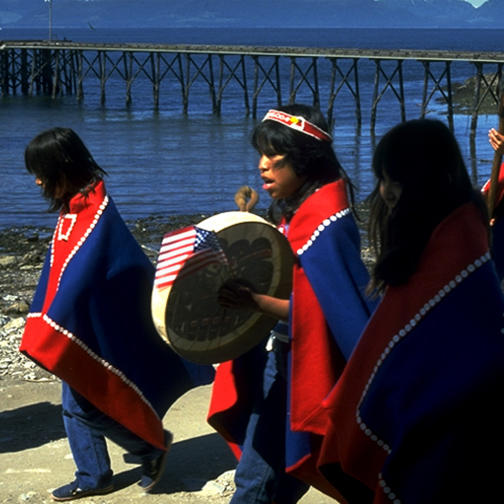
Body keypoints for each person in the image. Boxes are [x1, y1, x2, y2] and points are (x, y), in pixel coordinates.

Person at [19, 127, 214, 501]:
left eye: (41, 171)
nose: (38, 180)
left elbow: (90, 274)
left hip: (96, 327)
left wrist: (53, 324)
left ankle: (142, 452)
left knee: (83, 405)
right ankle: (98, 470)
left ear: (63, 167)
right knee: (79, 400)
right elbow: (64, 272)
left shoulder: (95, 213)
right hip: (84, 325)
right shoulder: (77, 207)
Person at [317, 119, 504, 503]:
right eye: (381, 178)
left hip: (448, 426)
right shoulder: (452, 231)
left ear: (421, 180)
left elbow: (415, 354)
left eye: (392, 179)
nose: (383, 192)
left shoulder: (452, 249)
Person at [207, 104, 377, 503]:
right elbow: (285, 266)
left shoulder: (327, 223)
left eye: (275, 159)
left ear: (304, 161)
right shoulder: (306, 208)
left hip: (306, 367)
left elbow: (326, 313)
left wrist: (256, 302)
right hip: (287, 360)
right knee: (283, 473)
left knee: (258, 481)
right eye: (261, 156)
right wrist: (247, 219)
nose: (263, 166)